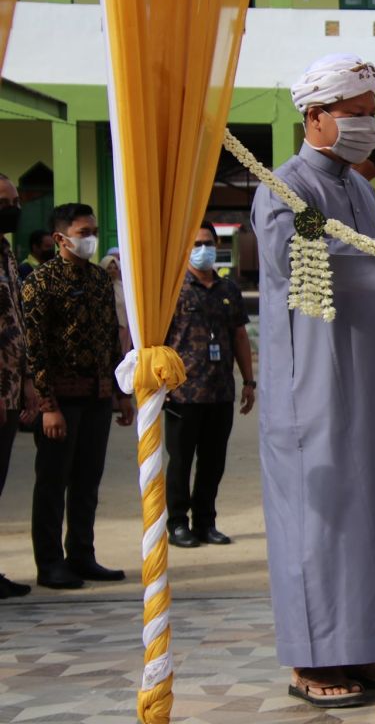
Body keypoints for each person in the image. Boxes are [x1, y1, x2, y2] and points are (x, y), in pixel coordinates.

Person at [252, 53, 375, 708]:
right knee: (321, 519)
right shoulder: (285, 185)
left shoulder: (359, 187)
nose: (368, 127)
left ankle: (369, 644)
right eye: (356, 116)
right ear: (316, 117)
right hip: (315, 383)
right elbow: (295, 259)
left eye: (372, 115)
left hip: (372, 377)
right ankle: (311, 659)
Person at [23, 203, 134, 590]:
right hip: (60, 402)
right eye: (83, 232)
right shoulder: (41, 282)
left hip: (98, 397)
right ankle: (50, 562)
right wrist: (47, 406)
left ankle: (82, 555)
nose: (91, 238)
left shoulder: (101, 281)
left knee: (87, 481)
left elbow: (110, 339)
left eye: (93, 231)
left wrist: (122, 393)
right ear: (60, 238)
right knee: (53, 481)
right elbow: (34, 349)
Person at [163, 222, 256, 549]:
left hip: (219, 391)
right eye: (196, 243)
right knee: (180, 462)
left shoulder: (228, 289)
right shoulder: (172, 288)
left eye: (207, 243)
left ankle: (205, 522)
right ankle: (177, 523)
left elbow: (240, 335)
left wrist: (248, 380)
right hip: (182, 393)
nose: (203, 249)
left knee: (213, 462)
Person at [0, 175, 35, 598]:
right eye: (4, 201)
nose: (13, 207)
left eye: (15, 200)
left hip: (11, 390)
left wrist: (26, 383)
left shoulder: (7, 252)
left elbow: (17, 322)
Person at [98, 254, 132, 355]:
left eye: (115, 268)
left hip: (123, 328)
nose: (112, 270)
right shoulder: (98, 287)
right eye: (109, 268)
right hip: (105, 328)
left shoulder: (123, 286)